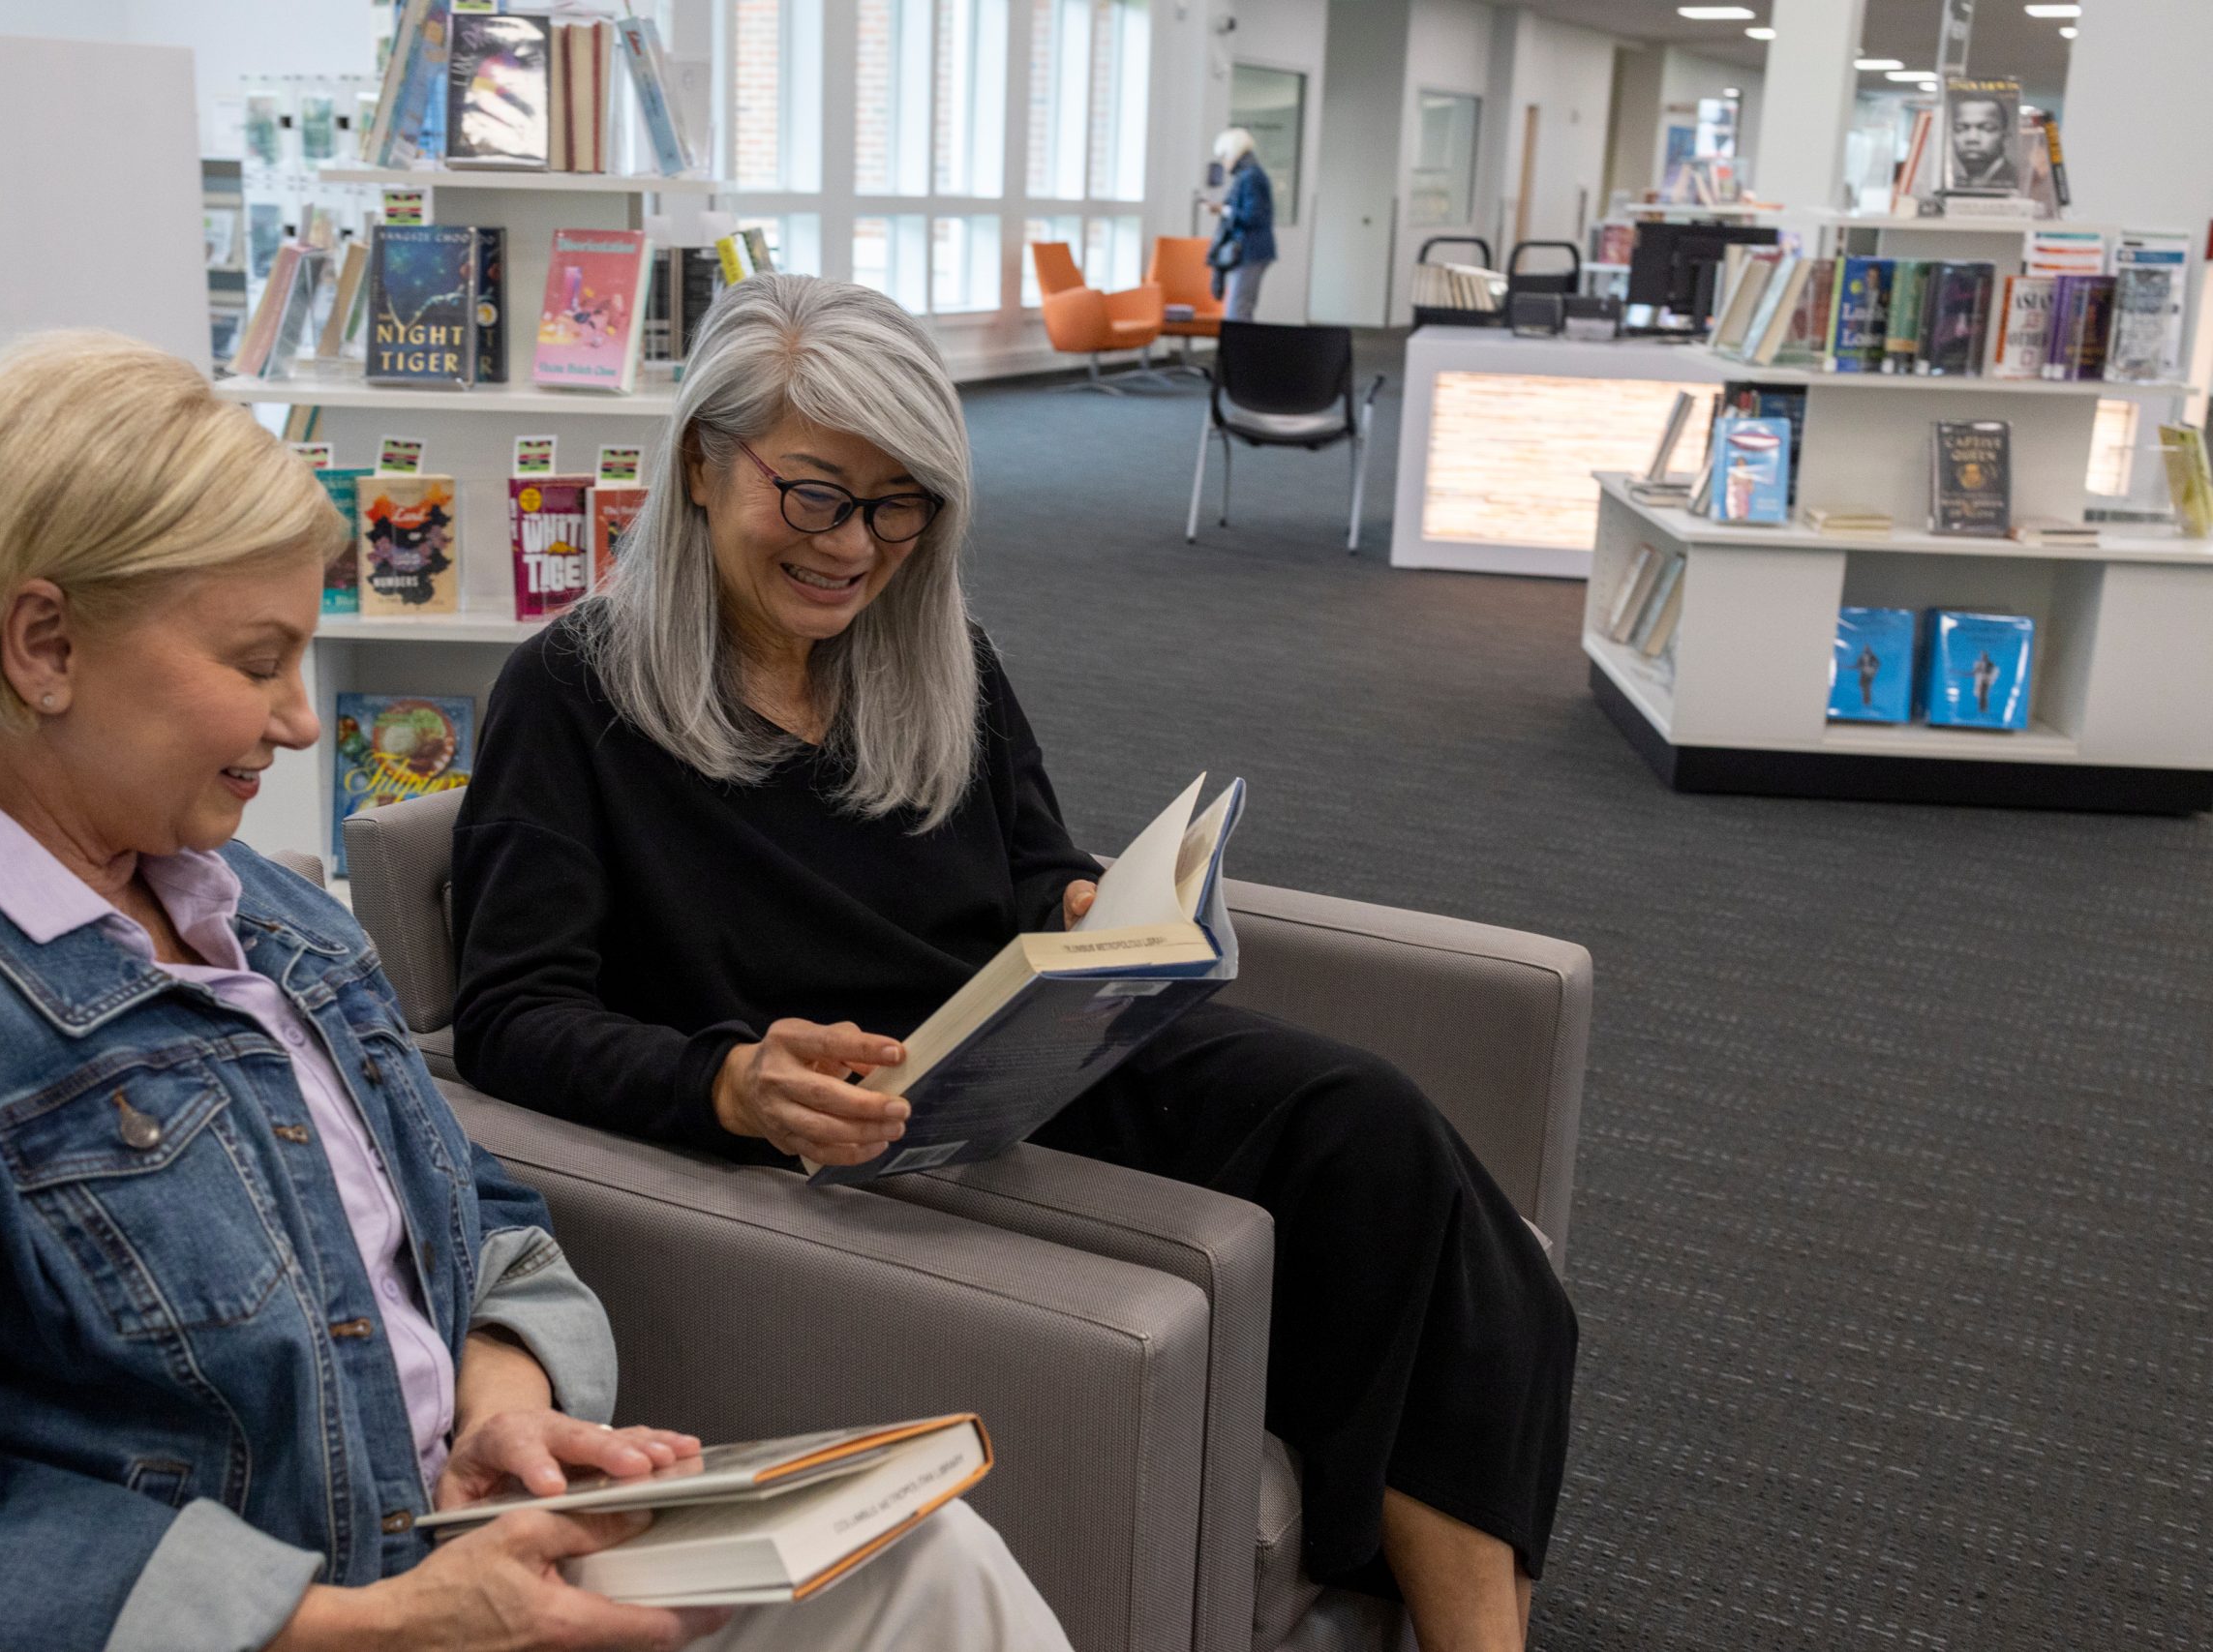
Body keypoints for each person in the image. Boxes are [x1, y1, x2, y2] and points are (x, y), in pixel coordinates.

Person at [0, 330, 1072, 1652]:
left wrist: (501, 1395)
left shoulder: (261, 908)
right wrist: (351, 1623)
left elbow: (470, 1210)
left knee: (928, 1553)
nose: (304, 720)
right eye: (257, 661)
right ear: (44, 642)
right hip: (306, 1615)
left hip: (442, 1554)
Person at [448, 274, 1579, 1652]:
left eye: (900, 502)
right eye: (816, 493)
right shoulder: (574, 691)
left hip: (1027, 1048)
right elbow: (511, 1013)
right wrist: (733, 1082)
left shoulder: (937, 657)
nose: (858, 545)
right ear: (700, 462)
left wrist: (1093, 904)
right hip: (859, 1118)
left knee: (1378, 1133)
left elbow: (1029, 863)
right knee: (1418, 1218)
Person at [1208, 126, 1279, 319]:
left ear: (1232, 153)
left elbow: (1253, 216)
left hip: (1251, 251)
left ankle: (1240, 350)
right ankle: (1240, 349)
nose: (1223, 163)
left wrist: (1223, 210)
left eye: (1223, 157)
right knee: (1239, 308)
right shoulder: (1249, 174)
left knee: (1238, 311)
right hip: (1248, 251)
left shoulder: (1251, 176)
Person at [1947, 91, 2017, 192]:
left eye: (1987, 128)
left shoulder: (2020, 181)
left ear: (2005, 137)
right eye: (1960, 128)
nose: (1972, 139)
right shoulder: (1951, 181)